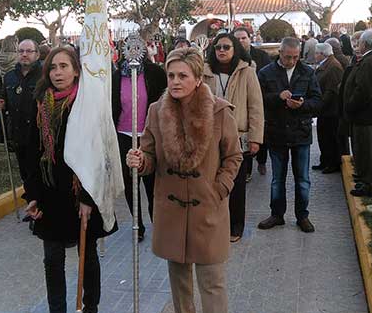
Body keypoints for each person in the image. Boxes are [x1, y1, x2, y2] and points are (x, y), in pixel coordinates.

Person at [126, 47, 242, 313]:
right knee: (179, 285)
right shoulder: (157, 111)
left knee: (212, 282)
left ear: (198, 78)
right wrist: (140, 160)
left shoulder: (220, 112)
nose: (175, 81)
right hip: (172, 212)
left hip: (208, 209)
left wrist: (220, 188)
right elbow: (149, 154)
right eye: (171, 75)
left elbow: (234, 156)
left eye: (182, 75)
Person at [26, 46, 117, 313]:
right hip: (50, 194)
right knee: (52, 260)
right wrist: (32, 194)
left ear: (77, 70)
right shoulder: (41, 103)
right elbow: (33, 152)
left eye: (64, 66)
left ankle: (90, 307)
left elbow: (98, 151)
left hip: (82, 194)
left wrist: (88, 198)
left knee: (87, 258)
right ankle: (57, 310)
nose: (57, 72)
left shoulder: (87, 103)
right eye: (53, 67)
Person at [257, 37, 322, 233]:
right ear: (280, 54)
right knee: (277, 178)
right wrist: (278, 98)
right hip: (276, 133)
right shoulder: (266, 73)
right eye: (287, 57)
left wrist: (303, 106)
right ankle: (277, 214)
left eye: (295, 57)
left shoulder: (307, 72)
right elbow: (258, 100)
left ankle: (302, 215)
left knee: (302, 179)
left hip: (300, 132)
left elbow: (318, 101)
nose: (291, 61)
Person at [202, 33, 264, 243]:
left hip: (237, 136)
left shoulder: (247, 72)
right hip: (209, 137)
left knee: (236, 185)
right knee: (211, 181)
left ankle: (236, 226)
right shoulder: (205, 72)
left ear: (234, 49)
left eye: (226, 47)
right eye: (218, 47)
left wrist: (255, 138)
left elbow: (255, 106)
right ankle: (213, 223)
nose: (221, 50)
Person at [112, 49, 167, 241]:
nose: (133, 53)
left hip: (149, 135)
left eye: (137, 49)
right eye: (129, 49)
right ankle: (138, 225)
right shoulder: (117, 76)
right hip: (124, 134)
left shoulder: (155, 73)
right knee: (130, 183)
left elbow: (164, 100)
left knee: (152, 183)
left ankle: (158, 225)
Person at [342, 30, 372, 197]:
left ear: (365, 44)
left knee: (366, 152)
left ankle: (368, 185)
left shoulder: (370, 61)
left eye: (359, 42)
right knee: (367, 151)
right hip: (369, 115)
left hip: (365, 116)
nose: (357, 45)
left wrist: (350, 105)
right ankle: (368, 181)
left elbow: (363, 91)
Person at [0, 39, 42, 196]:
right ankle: (32, 206)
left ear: (37, 54)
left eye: (29, 51)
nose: (24, 54)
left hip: (39, 137)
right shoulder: (9, 77)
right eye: (21, 51)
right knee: (26, 177)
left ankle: (41, 209)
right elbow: (4, 101)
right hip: (18, 136)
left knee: (40, 177)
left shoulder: (45, 76)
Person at [234, 26, 272, 177]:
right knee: (244, 135)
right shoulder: (231, 57)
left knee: (260, 132)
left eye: (243, 38)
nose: (241, 41)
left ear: (250, 39)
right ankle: (246, 170)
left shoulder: (261, 56)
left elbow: (270, 77)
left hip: (259, 98)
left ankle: (261, 161)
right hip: (240, 101)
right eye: (237, 39)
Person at [311, 43, 344, 174]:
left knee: (330, 137)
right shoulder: (327, 64)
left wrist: (318, 106)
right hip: (325, 109)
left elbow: (331, 91)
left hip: (331, 110)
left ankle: (332, 163)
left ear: (322, 54)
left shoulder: (333, 67)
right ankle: (325, 161)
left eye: (316, 53)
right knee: (323, 136)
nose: (314, 55)